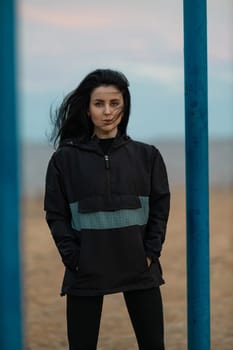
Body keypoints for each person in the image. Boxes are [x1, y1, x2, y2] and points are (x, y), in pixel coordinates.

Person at [44, 68, 170, 350]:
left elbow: (160, 207)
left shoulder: (147, 156)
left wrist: (151, 252)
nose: (107, 111)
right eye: (99, 104)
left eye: (114, 103)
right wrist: (73, 257)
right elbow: (56, 214)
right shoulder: (64, 160)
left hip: (139, 266)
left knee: (153, 346)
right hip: (86, 268)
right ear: (87, 109)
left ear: (124, 107)